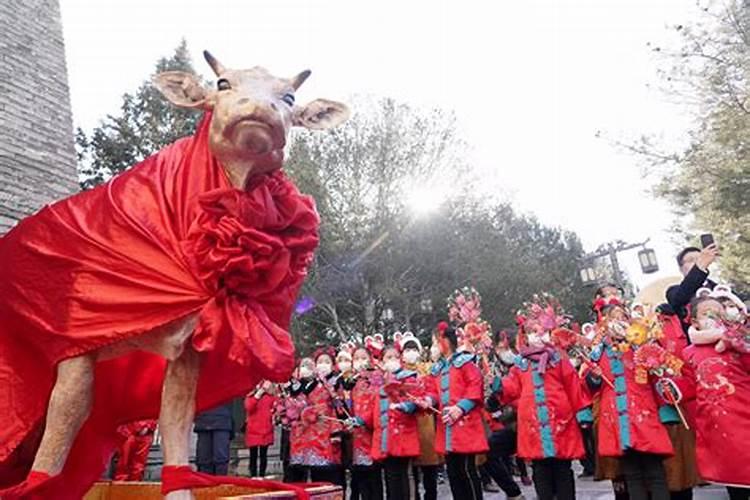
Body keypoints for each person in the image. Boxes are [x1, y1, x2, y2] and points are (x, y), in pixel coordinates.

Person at [492, 295, 590, 500]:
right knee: (540, 468)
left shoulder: (557, 360)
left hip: (560, 421)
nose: (535, 336)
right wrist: (499, 385)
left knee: (563, 467)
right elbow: (512, 387)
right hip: (533, 423)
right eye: (530, 332)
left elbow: (573, 386)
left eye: (539, 331)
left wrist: (583, 413)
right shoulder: (521, 364)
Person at [586, 303, 673, 500]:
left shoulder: (642, 345)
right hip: (616, 416)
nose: (620, 321)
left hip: (644, 411)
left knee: (655, 471)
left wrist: (654, 362)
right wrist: (595, 377)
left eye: (623, 316)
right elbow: (590, 385)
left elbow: (658, 376)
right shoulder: (598, 352)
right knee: (632, 474)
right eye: (614, 317)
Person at [669, 296, 750, 499]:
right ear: (694, 321)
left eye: (719, 312)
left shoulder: (737, 342)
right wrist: (671, 387)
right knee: (734, 477)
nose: (714, 316)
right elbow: (689, 385)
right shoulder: (688, 353)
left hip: (745, 414)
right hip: (717, 425)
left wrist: (741, 344)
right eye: (707, 313)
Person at [422, 325, 487, 500]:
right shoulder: (438, 368)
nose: (433, 346)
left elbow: (476, 386)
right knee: (453, 473)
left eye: (435, 341)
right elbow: (432, 391)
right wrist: (428, 401)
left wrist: (460, 407)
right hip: (447, 427)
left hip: (465, 425)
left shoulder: (465, 363)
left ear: (444, 341)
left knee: (467, 471)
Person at [355, 345, 420, 500]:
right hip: (385, 438)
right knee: (392, 479)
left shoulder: (408, 377)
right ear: (382, 362)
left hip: (403, 436)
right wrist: (361, 420)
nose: (392, 360)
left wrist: (407, 406)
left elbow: (418, 399)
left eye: (395, 357)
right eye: (388, 357)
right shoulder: (379, 382)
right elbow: (373, 409)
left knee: (405, 476)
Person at [286, 352, 345, 487]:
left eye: (326, 361)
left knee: (322, 477)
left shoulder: (329, 385)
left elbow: (336, 408)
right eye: (303, 365)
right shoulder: (297, 386)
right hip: (300, 435)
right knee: (299, 476)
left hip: (322, 434)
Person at [399, 332, 440, 500]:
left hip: (427, 424)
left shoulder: (427, 370)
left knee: (430, 467)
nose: (410, 352)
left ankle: (431, 496)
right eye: (407, 349)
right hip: (408, 424)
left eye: (413, 349)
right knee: (411, 470)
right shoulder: (398, 373)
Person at [347, 346, 384, 500]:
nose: (360, 362)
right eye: (356, 358)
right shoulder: (353, 383)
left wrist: (363, 420)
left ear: (370, 359)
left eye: (363, 358)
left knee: (374, 478)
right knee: (361, 478)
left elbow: (377, 407)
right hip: (357, 437)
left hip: (371, 434)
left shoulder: (376, 379)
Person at [667, 244, 719, 335]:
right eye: (691, 260)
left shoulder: (719, 289)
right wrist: (700, 266)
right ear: (681, 268)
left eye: (699, 258)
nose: (697, 262)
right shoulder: (674, 292)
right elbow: (681, 296)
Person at [244, 381, 277, 477]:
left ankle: (262, 475)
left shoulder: (270, 397)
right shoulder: (250, 397)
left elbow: (275, 408)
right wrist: (257, 396)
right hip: (253, 430)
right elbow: (249, 407)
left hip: (266, 429)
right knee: (253, 455)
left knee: (264, 455)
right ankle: (253, 475)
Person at [194, 403, 234, 476]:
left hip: (213, 419)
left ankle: (217, 481)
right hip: (213, 419)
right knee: (208, 457)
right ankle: (216, 481)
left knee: (211, 457)